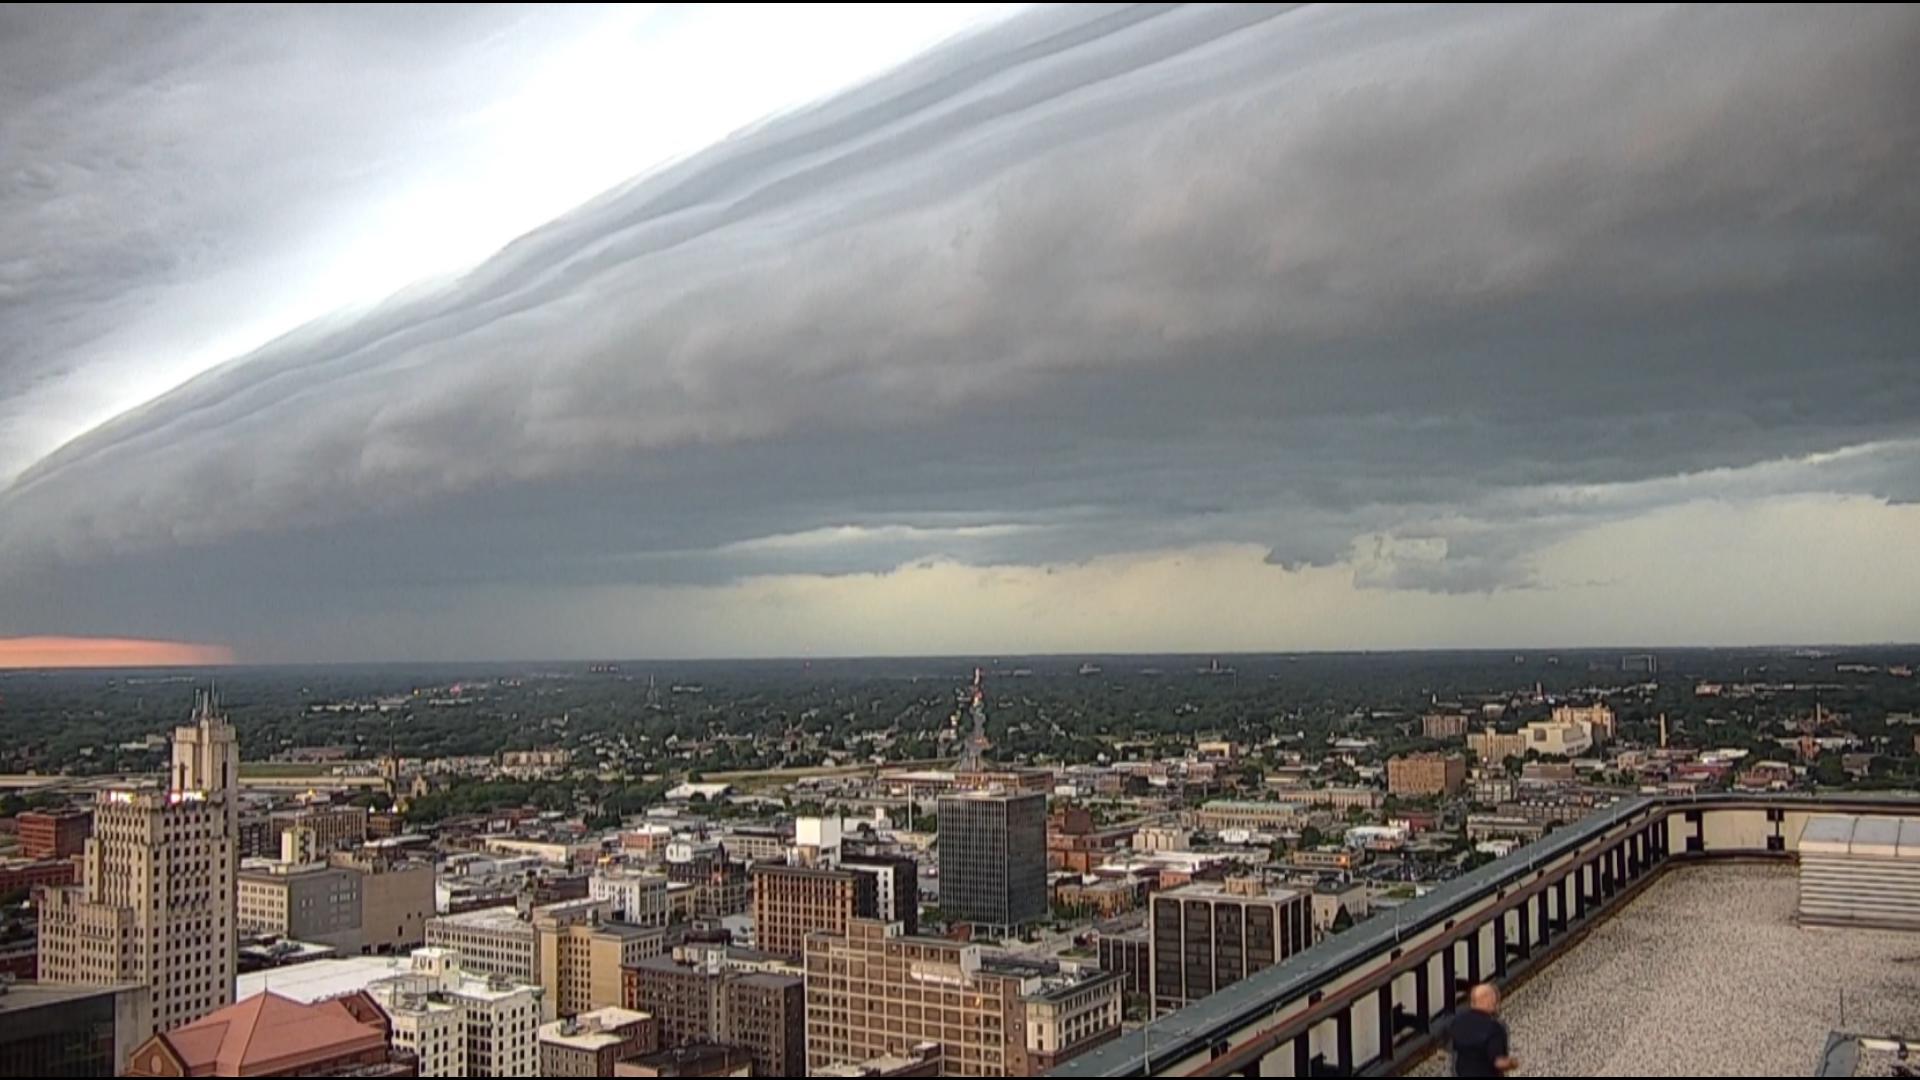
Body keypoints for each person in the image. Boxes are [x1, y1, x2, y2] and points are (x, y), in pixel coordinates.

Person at [1450, 983, 1519, 1077]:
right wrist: (1512, 1063)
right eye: (1496, 1001)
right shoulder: (1494, 1028)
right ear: (1490, 1002)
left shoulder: (1458, 1021)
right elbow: (1498, 1062)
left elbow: (1453, 1048)